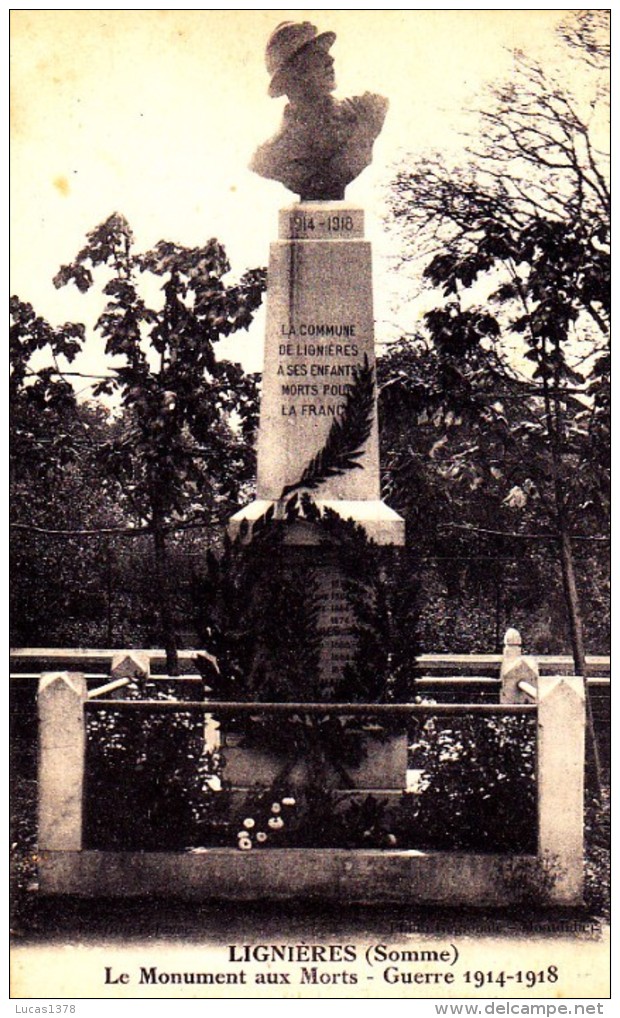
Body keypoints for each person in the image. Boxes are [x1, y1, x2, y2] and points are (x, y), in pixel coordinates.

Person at [250, 21, 389, 201]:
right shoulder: (269, 155)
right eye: (317, 56)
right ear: (294, 75)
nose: (330, 60)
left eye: (327, 53)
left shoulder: (365, 109)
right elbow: (328, 181)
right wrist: (363, 136)